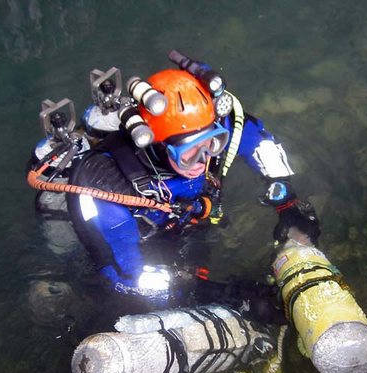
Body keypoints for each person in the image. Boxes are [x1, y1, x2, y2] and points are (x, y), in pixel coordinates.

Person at [32, 51, 321, 304]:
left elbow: (257, 140)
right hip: (143, 238)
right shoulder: (104, 186)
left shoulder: (204, 126)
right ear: (157, 145)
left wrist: (285, 198)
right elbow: (124, 276)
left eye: (213, 143)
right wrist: (211, 292)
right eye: (188, 154)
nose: (203, 159)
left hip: (189, 217)